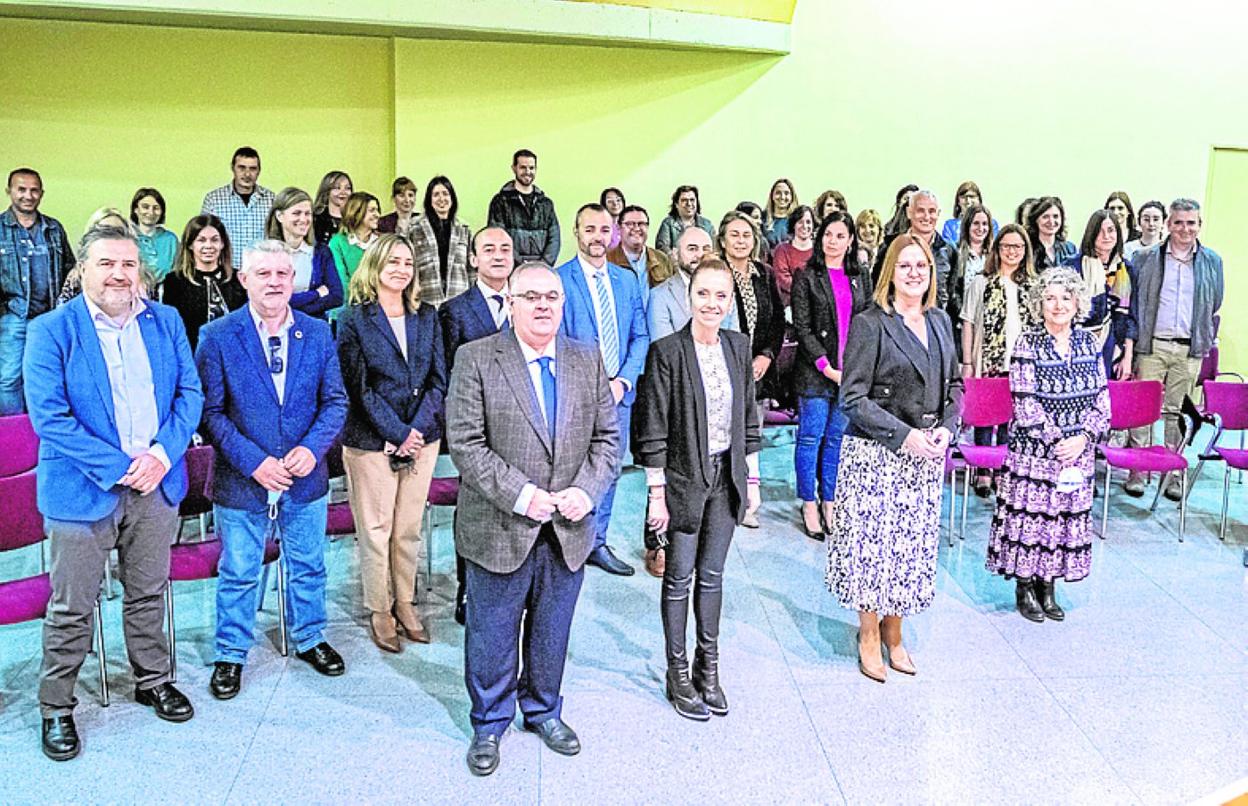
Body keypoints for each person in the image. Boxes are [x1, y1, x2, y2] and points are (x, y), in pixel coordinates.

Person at [23, 225, 204, 761]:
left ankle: (152, 679)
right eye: (106, 263)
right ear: (82, 270)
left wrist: (160, 457)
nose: (120, 274)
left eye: (129, 264)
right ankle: (56, 706)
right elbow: (50, 418)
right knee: (73, 606)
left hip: (156, 483)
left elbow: (188, 394)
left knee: (149, 591)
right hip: (83, 489)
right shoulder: (51, 330)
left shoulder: (165, 321)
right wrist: (124, 466)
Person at [447, 261, 619, 776]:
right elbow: (466, 444)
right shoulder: (475, 359)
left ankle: (543, 710)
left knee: (551, 631)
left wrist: (585, 493)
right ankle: (489, 722)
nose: (543, 305)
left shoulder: (585, 359)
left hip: (567, 529)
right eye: (531, 296)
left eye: (552, 297)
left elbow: (608, 440)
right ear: (510, 302)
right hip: (502, 525)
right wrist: (523, 496)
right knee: (492, 634)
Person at [196, 241, 349, 700]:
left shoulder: (318, 333)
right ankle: (231, 653)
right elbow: (211, 412)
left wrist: (312, 448)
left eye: (283, 274)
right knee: (241, 570)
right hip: (243, 479)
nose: (275, 283)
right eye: (263, 274)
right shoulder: (217, 336)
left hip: (305, 477)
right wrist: (255, 462)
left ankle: (310, 637)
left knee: (308, 565)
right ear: (244, 279)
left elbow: (335, 401)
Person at [827, 234, 963, 683]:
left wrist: (947, 426)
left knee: (908, 551)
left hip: (926, 455)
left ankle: (895, 632)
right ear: (890, 272)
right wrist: (905, 437)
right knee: (872, 548)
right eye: (904, 265)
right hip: (877, 452)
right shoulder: (871, 323)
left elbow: (956, 386)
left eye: (921, 265)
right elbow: (851, 398)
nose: (914, 273)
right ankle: (868, 634)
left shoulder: (942, 321)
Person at [633, 257, 762, 721]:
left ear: (730, 302)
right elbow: (653, 428)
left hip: (726, 478)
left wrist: (752, 478)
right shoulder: (667, 351)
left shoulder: (738, 347)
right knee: (678, 578)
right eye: (703, 294)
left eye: (720, 295)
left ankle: (709, 667)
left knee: (713, 577)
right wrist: (655, 491)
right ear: (690, 298)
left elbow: (748, 417)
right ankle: (678, 671)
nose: (711, 303)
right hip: (684, 481)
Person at [337, 235, 446, 652]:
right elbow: (357, 387)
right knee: (377, 530)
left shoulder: (426, 315)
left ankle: (406, 602)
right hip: (371, 440)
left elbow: (439, 379)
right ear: (375, 266)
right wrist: (397, 433)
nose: (401, 269)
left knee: (408, 530)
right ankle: (379, 608)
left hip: (422, 438)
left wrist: (415, 431)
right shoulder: (352, 319)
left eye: (407, 262)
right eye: (392, 261)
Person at [986, 267, 1110, 622]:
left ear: (1078, 302)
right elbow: (1025, 403)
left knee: (1061, 522)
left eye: (1066, 297)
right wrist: (1060, 443)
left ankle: (1048, 586)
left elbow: (1102, 400)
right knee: (1031, 522)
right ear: (1039, 304)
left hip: (1078, 454)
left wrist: (1082, 439)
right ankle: (1024, 586)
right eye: (1051, 298)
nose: (1058, 305)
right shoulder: (1027, 342)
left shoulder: (1089, 342)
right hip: (1035, 455)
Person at [557, 204, 649, 576]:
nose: (597, 237)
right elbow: (555, 341)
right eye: (589, 229)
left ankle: (597, 542)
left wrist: (623, 380)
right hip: (576, 396)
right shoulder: (559, 279)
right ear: (576, 232)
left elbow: (639, 336)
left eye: (603, 230)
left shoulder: (626, 281)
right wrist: (593, 387)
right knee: (572, 470)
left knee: (609, 469)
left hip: (620, 393)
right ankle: (567, 542)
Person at [1123, 198, 1224, 500]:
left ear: (1199, 225)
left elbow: (1214, 302)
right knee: (1143, 410)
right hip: (1151, 346)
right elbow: (1135, 301)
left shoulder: (1212, 261)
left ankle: (1173, 474)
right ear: (1168, 224)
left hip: (1187, 349)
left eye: (1191, 222)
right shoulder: (1145, 258)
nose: (1184, 228)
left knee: (1178, 413)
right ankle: (1138, 470)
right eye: (1178, 222)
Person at [441, 227, 516, 621]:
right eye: (489, 249)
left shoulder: (526, 303)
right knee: (472, 511)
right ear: (473, 259)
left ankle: (511, 587)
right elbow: (447, 375)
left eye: (505, 248)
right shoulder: (455, 310)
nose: (499, 255)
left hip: (521, 429)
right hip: (477, 429)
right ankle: (467, 588)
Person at [791, 212, 873, 538]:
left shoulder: (860, 276)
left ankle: (830, 500)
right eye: (828, 235)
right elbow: (803, 328)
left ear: (850, 240)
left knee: (836, 440)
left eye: (841, 236)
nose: (833, 241)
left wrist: (853, 370)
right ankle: (808, 502)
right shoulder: (806, 276)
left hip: (849, 374)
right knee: (811, 438)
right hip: (816, 373)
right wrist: (827, 367)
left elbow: (867, 324)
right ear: (819, 238)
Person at [961, 224, 1036, 495]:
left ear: (1025, 250)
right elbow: (968, 322)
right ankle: (983, 471)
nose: (1011, 252)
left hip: (1021, 362)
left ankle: (1004, 467)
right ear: (997, 249)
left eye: (1017, 247)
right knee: (984, 415)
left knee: (1009, 418)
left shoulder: (1033, 286)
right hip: (987, 358)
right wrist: (968, 361)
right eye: (1006, 246)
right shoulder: (981, 282)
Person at [719, 210, 784, 524]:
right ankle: (722, 498)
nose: (741, 240)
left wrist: (767, 356)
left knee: (751, 432)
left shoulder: (765, 273)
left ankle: (747, 501)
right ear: (722, 239)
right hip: (722, 365)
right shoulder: (716, 272)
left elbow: (776, 323)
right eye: (734, 234)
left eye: (746, 235)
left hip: (758, 369)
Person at [0, 167, 75, 415]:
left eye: (34, 190)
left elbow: (70, 270)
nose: (28, 195)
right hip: (13, 318)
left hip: (50, 318)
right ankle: (14, 438)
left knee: (51, 378)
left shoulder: (54, 228)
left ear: (41, 193)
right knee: (10, 379)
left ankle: (41, 433)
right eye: (21, 189)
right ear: (9, 191)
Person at [161, 214, 246, 351]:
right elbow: (172, 330)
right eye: (201, 240)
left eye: (214, 240)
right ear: (190, 244)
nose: (209, 246)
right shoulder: (174, 282)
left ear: (222, 244)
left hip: (234, 357)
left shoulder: (239, 279)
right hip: (192, 357)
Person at [649, 226, 740, 349]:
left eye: (706, 249)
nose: (700, 255)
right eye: (692, 249)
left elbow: (735, 344)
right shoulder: (659, 296)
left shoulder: (725, 293)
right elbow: (666, 351)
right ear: (675, 254)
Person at [875, 189, 960, 317]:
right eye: (921, 211)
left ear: (938, 214)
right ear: (909, 213)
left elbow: (951, 295)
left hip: (934, 327)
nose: (927, 217)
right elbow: (878, 289)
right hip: (894, 326)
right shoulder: (890, 247)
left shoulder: (949, 251)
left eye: (932, 211)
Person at [264, 186, 343, 319]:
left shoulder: (321, 252)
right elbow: (270, 300)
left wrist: (295, 307)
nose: (303, 219)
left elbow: (336, 296)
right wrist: (316, 294)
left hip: (313, 327)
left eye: (307, 214)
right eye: (296, 213)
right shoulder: (265, 254)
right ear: (279, 216)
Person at [1063, 210, 1123, 374]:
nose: (1106, 236)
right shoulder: (1072, 266)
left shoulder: (1125, 268)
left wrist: (1127, 354)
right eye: (1100, 231)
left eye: (1111, 230)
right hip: (1074, 343)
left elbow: (1128, 315)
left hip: (1111, 344)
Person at [200, 146, 274, 269]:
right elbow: (204, 236)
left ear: (259, 171)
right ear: (232, 168)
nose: (247, 174)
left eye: (253, 169)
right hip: (225, 271)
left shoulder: (271, 199)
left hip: (261, 271)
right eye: (242, 168)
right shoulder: (214, 199)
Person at [487, 148, 560, 265]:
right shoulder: (500, 202)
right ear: (514, 168)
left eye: (531, 168)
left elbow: (554, 238)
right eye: (523, 167)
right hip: (512, 268)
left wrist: (544, 264)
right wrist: (521, 264)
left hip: (542, 270)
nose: (528, 172)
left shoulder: (546, 203)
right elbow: (498, 237)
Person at [412, 175, 472, 307]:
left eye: (445, 194)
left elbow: (471, 269)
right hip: (426, 297)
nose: (441, 199)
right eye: (436, 195)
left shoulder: (464, 228)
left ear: (452, 198)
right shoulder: (414, 227)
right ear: (429, 199)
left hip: (458, 298)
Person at [607, 204, 674, 307]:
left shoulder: (662, 259)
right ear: (619, 228)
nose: (637, 228)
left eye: (641, 224)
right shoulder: (607, 260)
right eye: (630, 224)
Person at [327, 191, 381, 320]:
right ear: (357, 212)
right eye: (372, 210)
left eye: (377, 210)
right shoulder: (337, 243)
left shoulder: (381, 243)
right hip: (346, 313)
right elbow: (341, 283)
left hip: (378, 312)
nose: (377, 215)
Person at [130, 187, 179, 283]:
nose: (151, 212)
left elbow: (178, 273)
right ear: (135, 209)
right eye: (145, 207)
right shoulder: (127, 238)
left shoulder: (171, 240)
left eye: (156, 208)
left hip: (165, 294)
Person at [771, 205, 815, 308]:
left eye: (808, 222)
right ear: (793, 225)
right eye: (800, 222)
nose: (805, 226)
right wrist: (807, 291)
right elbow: (783, 280)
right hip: (790, 306)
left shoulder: (820, 250)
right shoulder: (782, 250)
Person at [655, 185, 714, 254]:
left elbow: (713, 250)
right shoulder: (668, 224)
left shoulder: (707, 225)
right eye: (684, 200)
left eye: (692, 200)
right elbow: (662, 249)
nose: (689, 204)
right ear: (676, 204)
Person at [1026, 196, 1078, 270]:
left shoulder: (1070, 249)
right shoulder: (1027, 249)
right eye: (1045, 217)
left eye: (1055, 216)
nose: (1051, 221)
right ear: (1035, 220)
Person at [956, 205, 994, 291]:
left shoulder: (995, 255)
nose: (980, 228)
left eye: (984, 224)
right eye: (976, 223)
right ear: (967, 226)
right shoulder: (955, 254)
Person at [312, 170, 353, 247]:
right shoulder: (315, 219)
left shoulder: (356, 219)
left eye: (347, 188)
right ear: (327, 191)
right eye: (337, 188)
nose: (343, 192)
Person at [762, 178, 798, 247]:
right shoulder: (762, 219)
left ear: (792, 197)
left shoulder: (797, 219)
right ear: (772, 196)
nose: (782, 197)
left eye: (786, 193)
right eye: (778, 193)